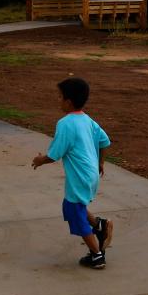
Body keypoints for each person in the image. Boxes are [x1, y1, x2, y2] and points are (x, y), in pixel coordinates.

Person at [31, 77, 113, 269]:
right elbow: (105, 141)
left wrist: (39, 160)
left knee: (72, 211)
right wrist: (101, 162)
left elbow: (55, 154)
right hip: (90, 174)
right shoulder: (87, 120)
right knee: (75, 206)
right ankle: (99, 226)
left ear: (68, 101)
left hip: (80, 176)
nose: (58, 101)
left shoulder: (66, 123)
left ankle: (97, 255)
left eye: (59, 97)